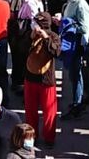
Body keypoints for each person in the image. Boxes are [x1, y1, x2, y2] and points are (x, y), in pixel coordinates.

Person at [23, 12, 60, 147]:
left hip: (46, 80)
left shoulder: (53, 36)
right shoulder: (31, 34)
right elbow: (21, 51)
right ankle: (31, 136)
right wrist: (29, 39)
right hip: (30, 78)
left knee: (49, 112)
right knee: (30, 110)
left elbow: (56, 52)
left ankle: (49, 138)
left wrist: (46, 38)